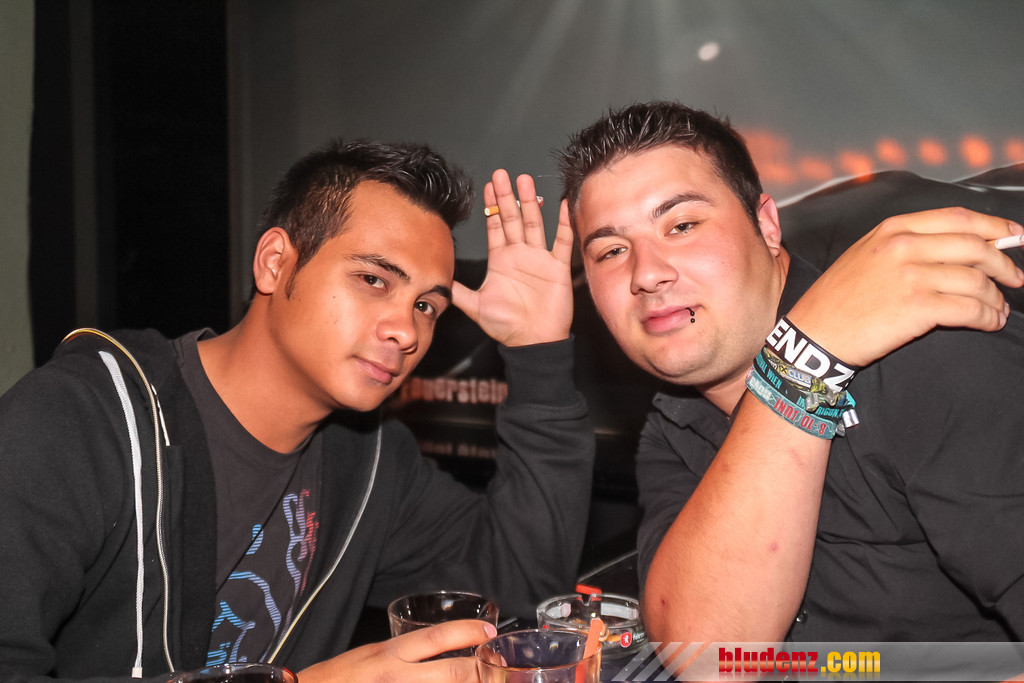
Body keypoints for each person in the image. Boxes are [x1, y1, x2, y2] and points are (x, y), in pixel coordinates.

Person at [0, 139, 592, 681]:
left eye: (426, 307)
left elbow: (520, 588)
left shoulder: (369, 460)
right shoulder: (79, 420)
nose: (406, 330)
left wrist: (539, 357)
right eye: (373, 279)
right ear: (274, 262)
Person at [547, 100, 1024, 648]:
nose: (646, 274)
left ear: (767, 225)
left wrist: (800, 360)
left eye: (682, 225)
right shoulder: (675, 425)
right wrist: (799, 363)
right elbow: (707, 658)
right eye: (611, 251)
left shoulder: (933, 356)